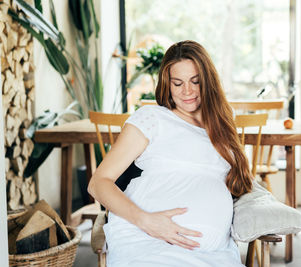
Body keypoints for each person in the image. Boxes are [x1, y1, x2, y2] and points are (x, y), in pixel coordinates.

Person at [88, 40, 253, 266]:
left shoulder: (222, 123)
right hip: (147, 240)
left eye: (196, 81)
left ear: (209, 81)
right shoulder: (152, 118)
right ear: (167, 84)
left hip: (214, 253)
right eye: (178, 83)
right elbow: (98, 183)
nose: (188, 91)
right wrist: (147, 221)